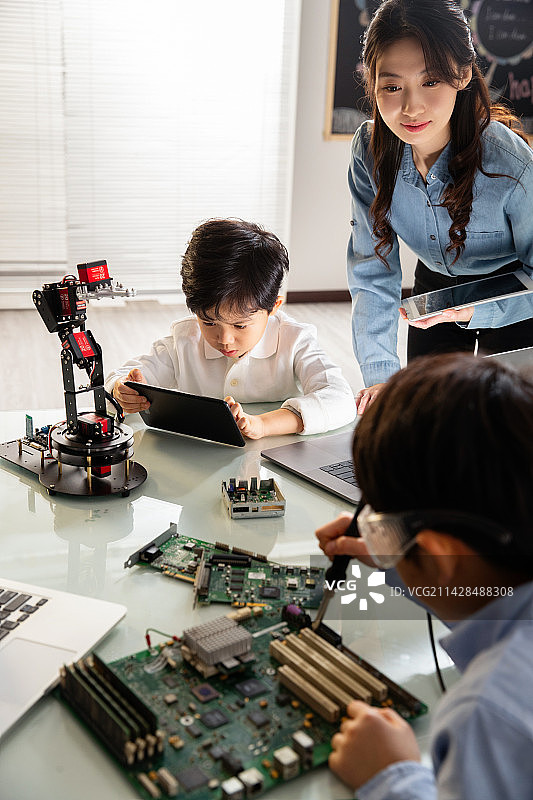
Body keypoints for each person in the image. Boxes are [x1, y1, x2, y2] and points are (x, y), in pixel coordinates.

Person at [316, 352, 533, 799]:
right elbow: (478, 588)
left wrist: (391, 773)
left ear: (438, 553)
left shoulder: (487, 714)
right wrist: (398, 552)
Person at [348, 0, 533, 414]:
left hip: (517, 293)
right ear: (372, 82)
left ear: (463, 74)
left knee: (506, 427)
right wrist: (379, 376)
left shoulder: (512, 164)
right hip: (436, 289)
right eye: (392, 87)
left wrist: (479, 308)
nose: (411, 108)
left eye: (430, 82)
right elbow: (372, 270)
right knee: (428, 418)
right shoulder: (368, 151)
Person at [106, 218, 356, 439]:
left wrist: (263, 424)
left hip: (274, 460)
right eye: (209, 322)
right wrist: (122, 389)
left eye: (240, 325)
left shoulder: (295, 340)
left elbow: (340, 399)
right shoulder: (185, 340)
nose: (224, 339)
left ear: (273, 307)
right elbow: (123, 376)